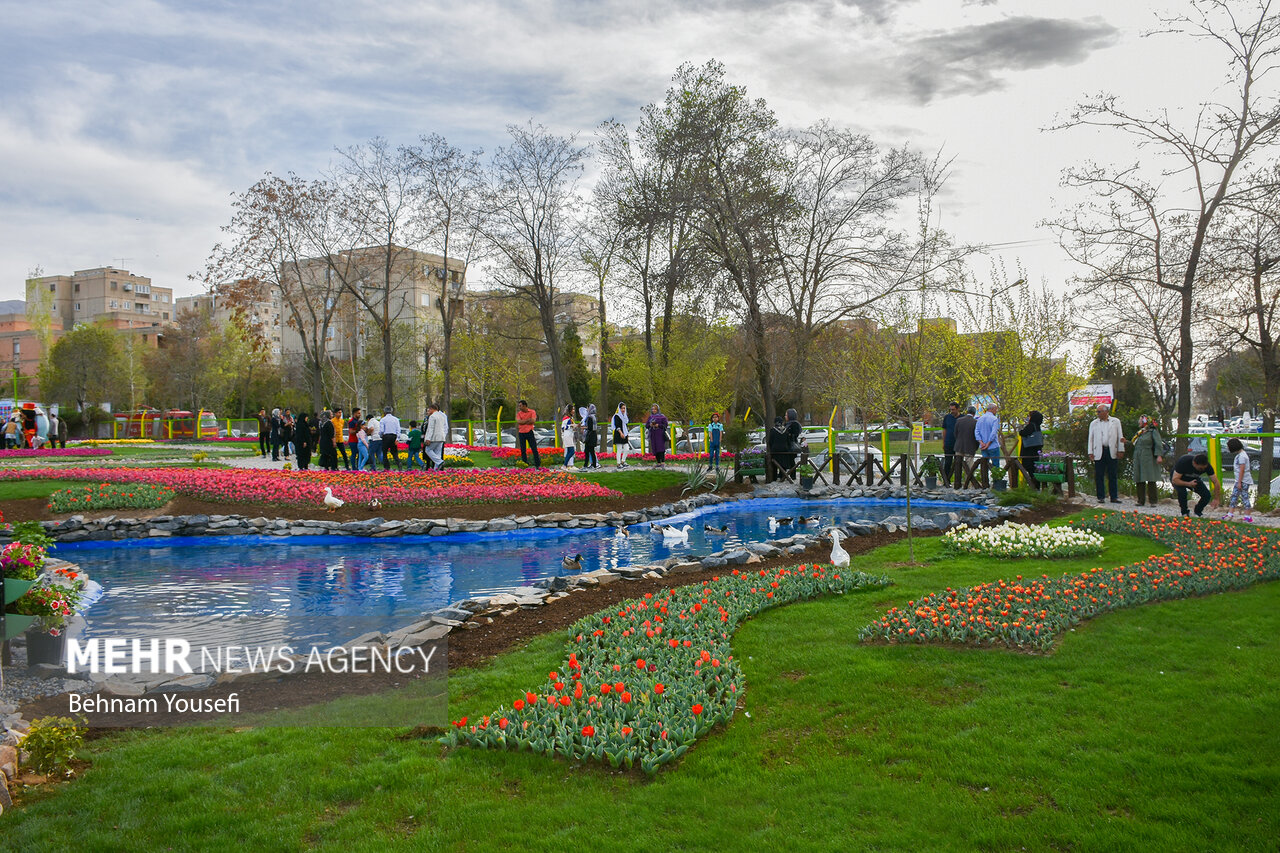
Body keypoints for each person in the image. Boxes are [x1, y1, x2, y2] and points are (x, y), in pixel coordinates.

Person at [1087, 403, 1124, 504]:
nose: (1097, 414)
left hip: (1111, 450)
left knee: (1112, 474)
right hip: (1099, 450)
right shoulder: (1094, 423)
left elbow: (1120, 436)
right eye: (1097, 412)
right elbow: (1090, 438)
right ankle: (1101, 496)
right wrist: (1090, 452)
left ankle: (1114, 496)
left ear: (1106, 412)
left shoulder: (1115, 421)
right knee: (1099, 474)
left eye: (1099, 412)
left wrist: (1121, 449)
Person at [1171, 451, 1221, 517]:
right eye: (1200, 468)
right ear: (1194, 463)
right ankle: (1184, 512)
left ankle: (1198, 512)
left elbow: (1216, 482)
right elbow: (1175, 480)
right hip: (1179, 479)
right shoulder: (1184, 462)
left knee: (1206, 495)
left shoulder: (1208, 467)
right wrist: (1188, 484)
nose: (1202, 470)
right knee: (1182, 493)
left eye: (1204, 468)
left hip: (1193, 479)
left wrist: (1216, 498)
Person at [1130, 415, 1165, 507]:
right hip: (1138, 457)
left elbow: (1158, 444)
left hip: (1148, 457)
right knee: (1139, 478)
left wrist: (1159, 455)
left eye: (1140, 421)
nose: (1139, 422)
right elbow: (1135, 443)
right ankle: (1140, 500)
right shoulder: (1140, 433)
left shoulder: (1152, 432)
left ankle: (1153, 500)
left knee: (1150, 478)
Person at [1224, 437, 1254, 522]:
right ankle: (1230, 513)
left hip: (1243, 481)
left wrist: (1240, 482)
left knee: (1244, 497)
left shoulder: (1242, 456)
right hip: (1239, 480)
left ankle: (1248, 516)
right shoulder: (1240, 455)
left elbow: (1242, 469)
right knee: (1234, 496)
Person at [1017, 411, 1045, 490]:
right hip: (1036, 451)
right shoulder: (1037, 426)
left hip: (1029, 451)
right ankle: (1036, 487)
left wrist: (1020, 430)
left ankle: (1033, 487)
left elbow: (1023, 433)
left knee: (1030, 468)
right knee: (1035, 469)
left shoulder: (1031, 426)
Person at [952, 407, 978, 487]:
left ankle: (957, 483)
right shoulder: (975, 422)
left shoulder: (959, 420)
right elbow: (976, 435)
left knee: (958, 465)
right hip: (970, 446)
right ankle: (968, 483)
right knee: (969, 466)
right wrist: (976, 446)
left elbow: (955, 433)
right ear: (974, 413)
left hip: (959, 445)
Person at [515, 400, 541, 468]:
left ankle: (537, 464)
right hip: (521, 433)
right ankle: (525, 464)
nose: (519, 407)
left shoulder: (532, 412)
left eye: (520, 406)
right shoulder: (519, 414)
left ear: (524, 406)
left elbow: (533, 420)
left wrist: (524, 421)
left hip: (529, 432)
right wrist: (527, 420)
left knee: (534, 448)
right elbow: (519, 422)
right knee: (523, 450)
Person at [425, 401, 448, 471]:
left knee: (428, 450)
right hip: (441, 437)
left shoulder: (432, 417)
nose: (428, 411)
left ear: (432, 409)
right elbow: (445, 427)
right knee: (438, 453)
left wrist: (428, 438)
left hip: (434, 437)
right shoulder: (442, 416)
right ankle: (436, 469)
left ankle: (440, 462)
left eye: (429, 410)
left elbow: (431, 428)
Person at [941, 402, 960, 486]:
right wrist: (944, 442)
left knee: (958, 463)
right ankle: (946, 481)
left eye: (953, 409)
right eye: (951, 409)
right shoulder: (947, 417)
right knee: (948, 463)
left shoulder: (962, 418)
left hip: (958, 444)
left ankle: (957, 481)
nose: (952, 411)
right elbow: (944, 430)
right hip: (948, 443)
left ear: (958, 409)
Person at [612, 403, 630, 469]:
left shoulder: (625, 416)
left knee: (626, 448)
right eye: (622, 408)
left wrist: (626, 434)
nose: (623, 410)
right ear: (619, 409)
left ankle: (623, 461)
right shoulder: (617, 416)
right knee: (619, 449)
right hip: (618, 434)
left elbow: (626, 426)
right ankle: (618, 463)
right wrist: (621, 433)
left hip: (624, 434)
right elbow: (617, 426)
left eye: (624, 408)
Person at [582, 404, 600, 469]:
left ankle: (585, 465)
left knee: (587, 451)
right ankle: (594, 465)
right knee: (592, 451)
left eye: (587, 408)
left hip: (589, 436)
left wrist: (583, 427)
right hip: (593, 436)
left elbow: (589, 427)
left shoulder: (589, 417)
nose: (587, 410)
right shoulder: (594, 417)